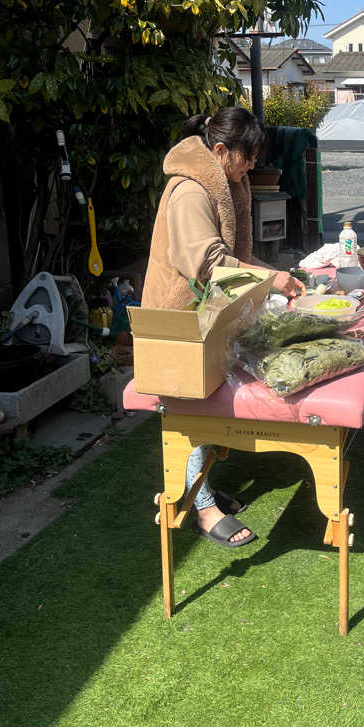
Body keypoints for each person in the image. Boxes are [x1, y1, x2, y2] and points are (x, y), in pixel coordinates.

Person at [142, 107, 304, 548]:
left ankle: (204, 492)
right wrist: (272, 279)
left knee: (207, 400)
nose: (252, 165)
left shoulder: (222, 180)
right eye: (247, 156)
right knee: (188, 409)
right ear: (219, 150)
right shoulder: (189, 191)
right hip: (178, 319)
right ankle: (202, 508)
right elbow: (207, 263)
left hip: (203, 313)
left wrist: (272, 277)